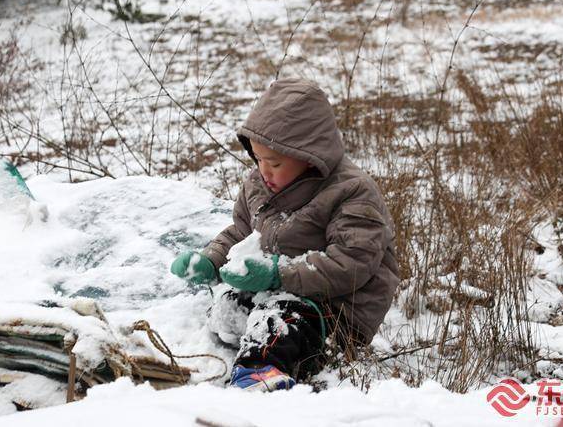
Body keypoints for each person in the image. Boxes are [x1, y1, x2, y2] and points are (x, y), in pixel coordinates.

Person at [171, 78, 399, 391]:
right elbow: (241, 231)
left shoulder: (351, 192)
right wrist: (212, 259)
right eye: (257, 158)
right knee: (229, 306)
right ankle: (247, 340)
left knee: (281, 318)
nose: (263, 171)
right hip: (277, 293)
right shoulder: (259, 184)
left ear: (308, 155)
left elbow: (353, 262)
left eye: (274, 162)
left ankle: (260, 371)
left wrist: (278, 274)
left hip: (335, 312)